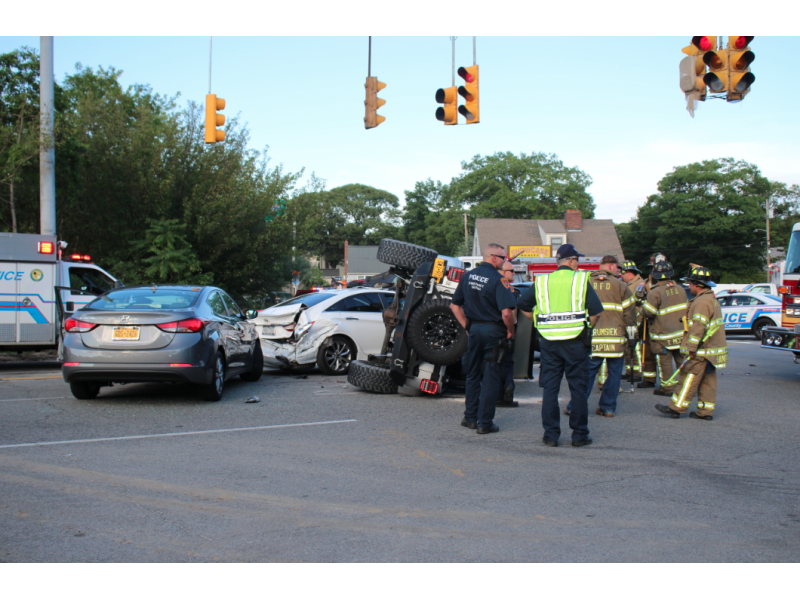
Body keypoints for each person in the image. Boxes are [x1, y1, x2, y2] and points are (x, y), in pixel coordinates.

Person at [517, 244, 603, 447]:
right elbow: (596, 312)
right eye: (577, 260)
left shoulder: (543, 281)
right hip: (575, 342)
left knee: (550, 389)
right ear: (571, 260)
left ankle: (551, 435)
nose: (578, 264)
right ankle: (579, 435)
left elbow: (523, 305)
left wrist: (538, 321)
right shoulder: (581, 280)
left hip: (549, 343)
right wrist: (587, 327)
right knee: (578, 389)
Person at [450, 244, 517, 434]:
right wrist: (510, 330)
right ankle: (485, 422)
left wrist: (466, 326)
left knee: (472, 374)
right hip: (493, 332)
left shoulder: (467, 276)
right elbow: (506, 313)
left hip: (474, 331)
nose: (505, 261)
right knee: (491, 376)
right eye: (503, 258)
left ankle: (470, 417)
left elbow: (454, 306)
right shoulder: (498, 279)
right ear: (494, 258)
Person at [567, 255, 637, 417]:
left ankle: (574, 407)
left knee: (588, 373)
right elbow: (630, 315)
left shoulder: (585, 283)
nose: (619, 271)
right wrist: (632, 336)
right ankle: (607, 408)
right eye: (618, 267)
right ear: (611, 266)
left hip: (592, 338)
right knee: (614, 374)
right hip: (616, 338)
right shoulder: (621, 286)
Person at [655, 265, 727, 420]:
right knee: (708, 381)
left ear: (696, 284)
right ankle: (705, 411)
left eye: (690, 283)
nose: (689, 286)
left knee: (688, 377)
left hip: (701, 350)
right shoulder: (711, 299)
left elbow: (698, 327)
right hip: (711, 350)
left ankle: (675, 408)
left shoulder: (701, 302)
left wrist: (692, 347)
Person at [642, 261, 688, 397]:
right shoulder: (680, 289)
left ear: (655, 276)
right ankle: (686, 386)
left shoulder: (655, 292)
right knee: (681, 360)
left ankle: (668, 388)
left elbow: (648, 312)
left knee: (665, 362)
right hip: (681, 333)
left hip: (663, 336)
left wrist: (642, 301)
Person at [496, 261, 521, 408]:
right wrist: (511, 330)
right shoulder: (508, 289)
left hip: (494, 331)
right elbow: (511, 314)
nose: (514, 273)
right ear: (503, 272)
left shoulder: (497, 287)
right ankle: (506, 394)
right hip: (506, 331)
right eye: (511, 270)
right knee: (506, 363)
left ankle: (500, 394)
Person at [620, 261, 647, 384]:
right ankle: (630, 371)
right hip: (629, 319)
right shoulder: (630, 283)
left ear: (629, 273)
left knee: (635, 346)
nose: (621, 275)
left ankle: (637, 372)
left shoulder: (639, 284)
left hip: (636, 319)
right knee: (627, 346)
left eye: (623, 273)